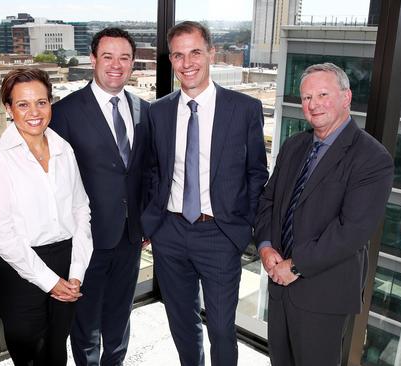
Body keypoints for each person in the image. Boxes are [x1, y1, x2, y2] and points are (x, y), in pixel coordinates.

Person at [141, 21, 268, 366]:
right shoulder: (158, 111)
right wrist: (152, 224)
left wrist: (243, 228)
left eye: (195, 52)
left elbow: (257, 172)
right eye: (178, 55)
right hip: (170, 232)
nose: (187, 63)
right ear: (171, 60)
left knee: (223, 329)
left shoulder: (244, 109)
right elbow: (153, 170)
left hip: (220, 234)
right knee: (182, 323)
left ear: (211, 53)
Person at [254, 62, 394, 366]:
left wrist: (296, 265)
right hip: (280, 287)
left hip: (323, 294)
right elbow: (268, 200)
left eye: (322, 94)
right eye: (306, 97)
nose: (313, 104)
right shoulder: (294, 146)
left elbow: (352, 231)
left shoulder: (372, 158)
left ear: (346, 97)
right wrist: (265, 247)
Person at [0, 68, 92, 365]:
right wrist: (50, 281)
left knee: (57, 350)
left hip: (66, 261)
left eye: (41, 102)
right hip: (20, 270)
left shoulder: (63, 149)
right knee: (32, 354)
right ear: (8, 108)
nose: (34, 112)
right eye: (23, 104)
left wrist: (76, 271)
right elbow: (0, 235)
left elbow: (81, 209)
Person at [50, 27, 150, 366]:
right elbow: (54, 181)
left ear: (133, 63)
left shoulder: (144, 110)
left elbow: (148, 170)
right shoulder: (64, 112)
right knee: (86, 322)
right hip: (86, 238)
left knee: (120, 317)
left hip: (131, 236)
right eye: (108, 56)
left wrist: (147, 219)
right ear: (93, 59)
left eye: (124, 58)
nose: (116, 65)